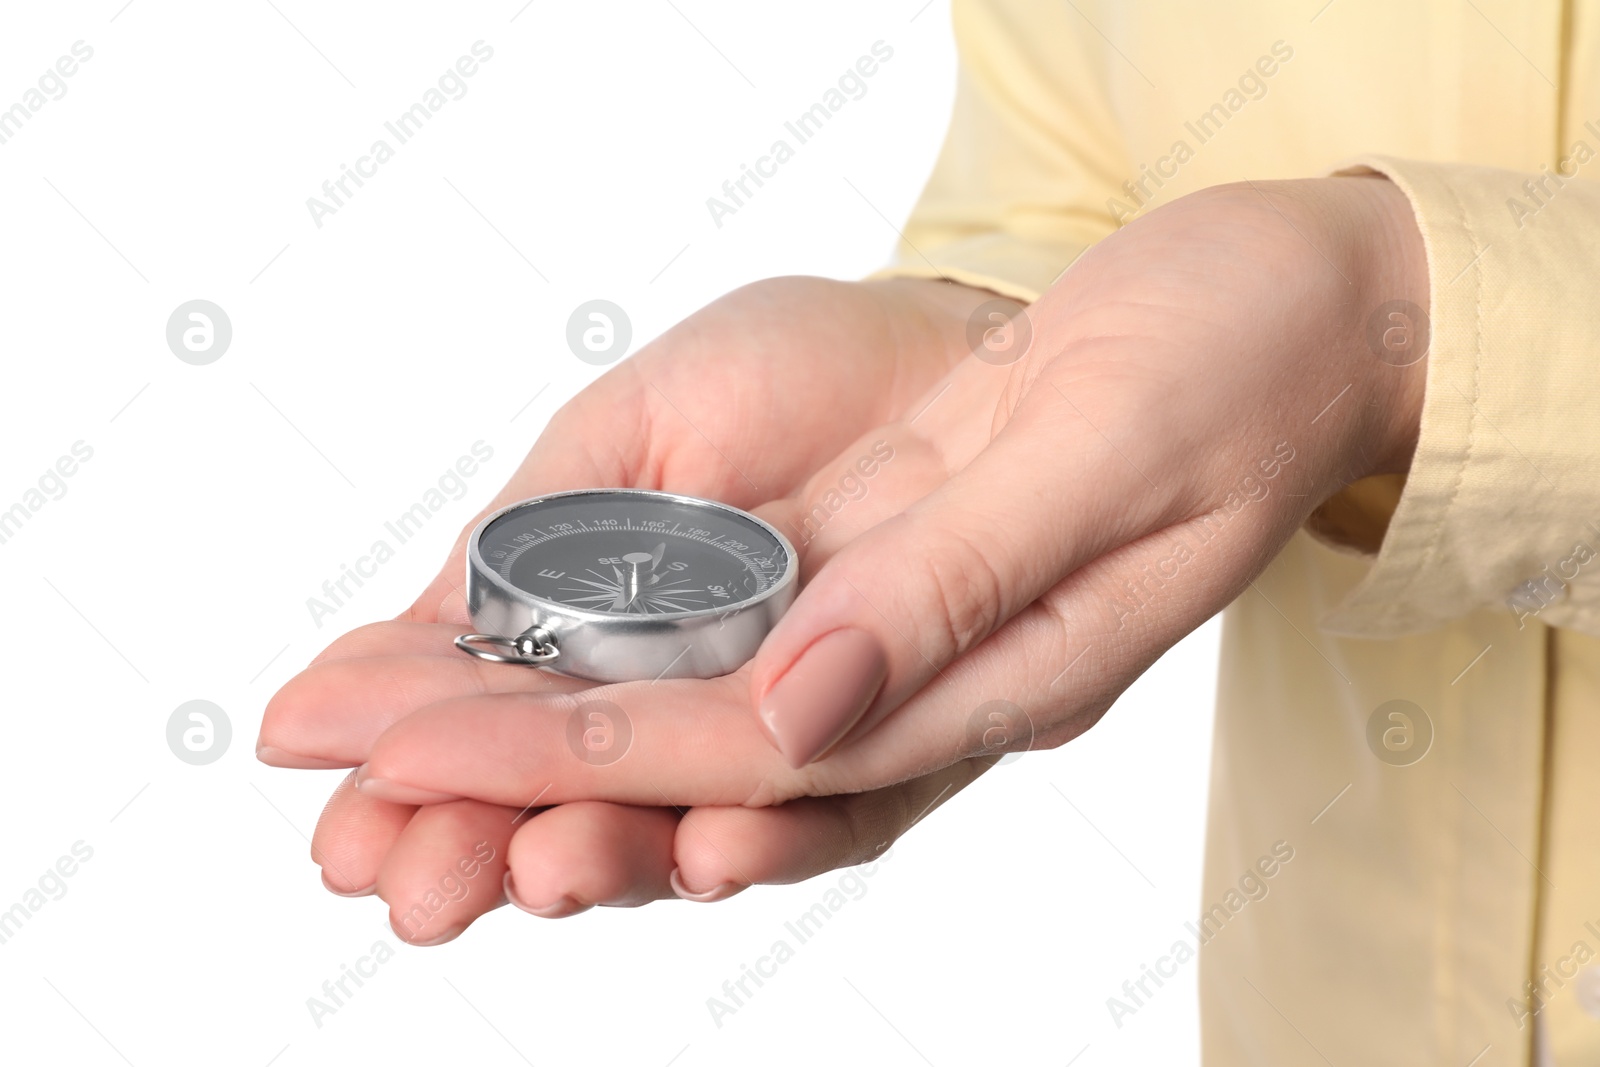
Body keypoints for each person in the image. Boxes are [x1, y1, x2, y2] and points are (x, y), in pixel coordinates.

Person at [259, 1, 1600, 1062]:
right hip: (1317, 1004)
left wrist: (1400, 334)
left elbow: (1311, 302)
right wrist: (982, 330)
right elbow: (1077, 156)